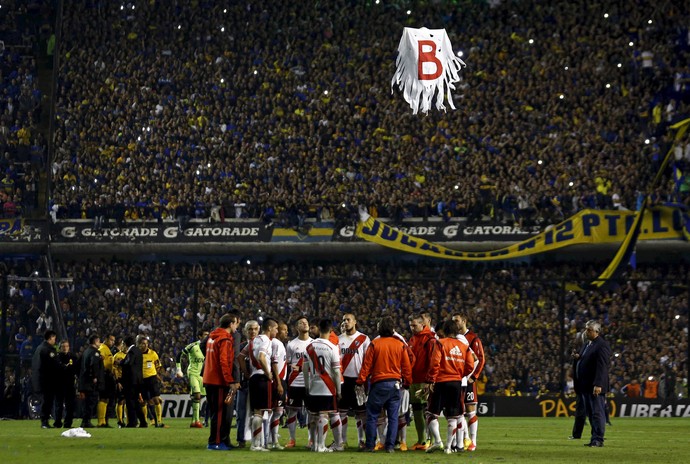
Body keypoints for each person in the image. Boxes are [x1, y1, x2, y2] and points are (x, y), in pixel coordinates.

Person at [356, 316, 412, 453]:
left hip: (378, 384)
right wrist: (407, 382)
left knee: (373, 416)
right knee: (393, 417)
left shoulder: (375, 344)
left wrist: (360, 381)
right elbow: (406, 367)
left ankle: (370, 446)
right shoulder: (400, 345)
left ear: (380, 328)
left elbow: (366, 366)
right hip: (395, 385)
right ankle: (390, 446)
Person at [424, 320, 475, 454]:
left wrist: (430, 380)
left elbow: (435, 363)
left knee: (430, 414)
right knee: (453, 416)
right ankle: (448, 447)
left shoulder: (440, 343)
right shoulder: (463, 346)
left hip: (441, 382)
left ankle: (438, 441)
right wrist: (460, 374)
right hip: (456, 383)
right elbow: (470, 364)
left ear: (445, 331)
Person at [304, 318, 342, 453]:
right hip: (327, 386)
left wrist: (307, 386)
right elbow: (336, 372)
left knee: (313, 416)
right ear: (331, 330)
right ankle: (321, 445)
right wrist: (338, 390)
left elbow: (305, 368)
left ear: (319, 329)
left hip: (313, 385)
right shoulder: (332, 347)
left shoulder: (309, 346)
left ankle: (314, 444)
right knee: (324, 416)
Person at [203, 313, 240, 451]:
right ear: (231, 324)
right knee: (218, 413)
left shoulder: (212, 337)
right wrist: (230, 380)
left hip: (209, 378)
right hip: (218, 381)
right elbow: (224, 362)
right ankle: (214, 442)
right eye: (236, 323)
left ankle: (220, 441)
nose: (236, 325)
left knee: (216, 412)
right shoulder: (224, 339)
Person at [574, 320, 611, 448]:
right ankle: (594, 438)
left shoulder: (601, 345)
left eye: (589, 329)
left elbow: (602, 367)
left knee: (597, 413)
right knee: (591, 413)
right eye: (586, 329)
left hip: (594, 385)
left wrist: (598, 384)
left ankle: (598, 439)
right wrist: (578, 358)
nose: (586, 331)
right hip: (585, 385)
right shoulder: (587, 344)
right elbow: (586, 361)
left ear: (597, 331)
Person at [337, 313, 370, 450]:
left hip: (358, 381)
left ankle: (361, 440)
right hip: (343, 381)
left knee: (361, 413)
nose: (345, 322)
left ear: (355, 322)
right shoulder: (338, 339)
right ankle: (342, 441)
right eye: (343, 320)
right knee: (342, 412)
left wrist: (363, 379)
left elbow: (367, 361)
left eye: (348, 320)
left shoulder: (364, 339)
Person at [408, 313, 438, 451]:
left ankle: (431, 440)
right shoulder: (412, 339)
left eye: (414, 325)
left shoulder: (430, 340)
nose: (412, 328)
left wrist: (430, 380)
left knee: (426, 410)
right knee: (417, 410)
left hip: (424, 381)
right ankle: (421, 440)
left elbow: (433, 361)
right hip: (413, 380)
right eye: (410, 325)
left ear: (423, 324)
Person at [247, 317, 278, 452]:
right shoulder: (265, 340)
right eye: (276, 328)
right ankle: (256, 445)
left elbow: (242, 356)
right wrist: (268, 372)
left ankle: (255, 443)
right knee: (259, 412)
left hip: (254, 377)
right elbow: (261, 357)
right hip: (261, 377)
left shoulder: (256, 339)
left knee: (256, 412)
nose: (276, 331)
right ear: (270, 328)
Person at [453, 313, 483, 451]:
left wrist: (474, 377)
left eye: (457, 321)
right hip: (457, 380)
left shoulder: (473, 338)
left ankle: (473, 442)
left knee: (470, 411)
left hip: (468, 380)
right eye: (453, 321)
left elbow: (480, 359)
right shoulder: (453, 337)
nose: (455, 323)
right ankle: (464, 439)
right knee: (459, 411)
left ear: (464, 321)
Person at [285, 316, 313, 448]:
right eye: (301, 323)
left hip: (310, 382)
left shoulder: (314, 343)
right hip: (295, 381)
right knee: (292, 411)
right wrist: (292, 367)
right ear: (297, 327)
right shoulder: (291, 344)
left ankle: (311, 439)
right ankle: (292, 439)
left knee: (310, 411)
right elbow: (288, 363)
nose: (305, 324)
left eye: (306, 322)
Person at [176, 330, 209, 428]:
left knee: (201, 398)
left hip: (204, 375)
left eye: (208, 335)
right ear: (200, 336)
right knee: (197, 395)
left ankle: (194, 421)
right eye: (205, 335)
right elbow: (179, 355)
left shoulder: (210, 347)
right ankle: (197, 421)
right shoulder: (193, 346)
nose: (207, 337)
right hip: (193, 373)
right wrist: (179, 370)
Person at [237, 320, 260, 448]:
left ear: (259, 330)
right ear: (245, 331)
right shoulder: (240, 347)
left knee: (258, 413)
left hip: (258, 385)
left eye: (255, 329)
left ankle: (258, 439)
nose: (252, 331)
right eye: (250, 329)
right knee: (241, 413)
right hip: (243, 385)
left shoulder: (264, 345)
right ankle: (241, 440)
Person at [266, 321, 289, 450]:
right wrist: (279, 383)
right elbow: (274, 363)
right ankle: (272, 440)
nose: (286, 332)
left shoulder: (280, 344)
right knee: (276, 411)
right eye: (284, 329)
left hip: (281, 380)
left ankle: (271, 439)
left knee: (277, 411)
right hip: (277, 380)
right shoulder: (276, 343)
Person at [31, 329, 60, 428]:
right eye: (54, 338)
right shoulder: (47, 350)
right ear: (50, 337)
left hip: (42, 379)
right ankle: (44, 421)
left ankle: (45, 421)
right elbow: (52, 365)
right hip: (48, 380)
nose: (55, 340)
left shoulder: (39, 348)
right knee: (47, 401)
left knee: (47, 400)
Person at [140, 336, 167, 427]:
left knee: (156, 399)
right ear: (139, 344)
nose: (145, 345)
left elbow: (158, 366)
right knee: (143, 401)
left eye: (146, 343)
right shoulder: (137, 354)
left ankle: (159, 421)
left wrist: (159, 378)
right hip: (141, 380)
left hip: (151, 379)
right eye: (143, 343)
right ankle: (145, 421)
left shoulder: (153, 353)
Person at [78, 334, 104, 428]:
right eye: (99, 341)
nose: (100, 343)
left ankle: (85, 421)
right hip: (90, 382)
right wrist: (95, 376)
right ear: (95, 342)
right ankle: (86, 421)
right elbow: (94, 365)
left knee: (86, 402)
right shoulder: (95, 352)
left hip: (84, 381)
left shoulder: (86, 351)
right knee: (91, 401)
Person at [122, 335, 147, 428]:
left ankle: (132, 422)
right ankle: (143, 422)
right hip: (137, 381)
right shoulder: (138, 351)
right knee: (136, 403)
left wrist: (120, 362)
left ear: (125, 344)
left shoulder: (132, 351)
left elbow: (129, 362)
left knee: (130, 402)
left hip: (131, 381)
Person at [54, 339, 79, 428]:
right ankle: (57, 422)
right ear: (60, 347)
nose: (65, 348)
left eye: (67, 346)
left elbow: (76, 369)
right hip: (59, 384)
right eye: (63, 346)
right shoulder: (56, 357)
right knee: (59, 405)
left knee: (70, 405)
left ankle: (68, 423)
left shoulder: (73, 356)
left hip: (70, 384)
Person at [569, 328, 588, 440]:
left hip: (587, 385)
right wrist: (577, 358)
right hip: (581, 386)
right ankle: (577, 435)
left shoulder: (588, 349)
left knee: (592, 411)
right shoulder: (582, 350)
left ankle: (597, 435)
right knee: (581, 411)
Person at [97, 333, 116, 427]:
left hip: (108, 376)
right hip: (104, 376)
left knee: (107, 399)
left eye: (113, 341)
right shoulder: (102, 349)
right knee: (103, 398)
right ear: (106, 339)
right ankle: (101, 421)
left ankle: (104, 421)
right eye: (111, 340)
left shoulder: (107, 349)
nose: (112, 342)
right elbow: (99, 361)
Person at [112, 337, 128, 427]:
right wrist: (118, 381)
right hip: (121, 380)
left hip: (129, 380)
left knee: (127, 401)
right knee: (121, 400)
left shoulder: (130, 355)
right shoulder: (117, 356)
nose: (124, 347)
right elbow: (114, 370)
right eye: (123, 345)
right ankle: (120, 421)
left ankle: (128, 420)